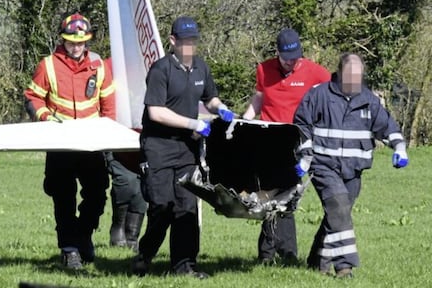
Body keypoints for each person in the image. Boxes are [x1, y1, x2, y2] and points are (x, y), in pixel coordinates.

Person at [131, 16, 235, 279]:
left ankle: (185, 266)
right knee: (162, 207)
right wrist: (193, 123)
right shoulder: (161, 70)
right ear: (173, 41)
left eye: (193, 41)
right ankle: (145, 255)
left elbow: (209, 98)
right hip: (158, 148)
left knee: (186, 207)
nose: (189, 46)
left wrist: (220, 108)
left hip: (186, 151)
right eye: (184, 41)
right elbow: (155, 112)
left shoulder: (201, 68)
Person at [293, 52, 408, 279]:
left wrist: (400, 148)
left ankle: (318, 260)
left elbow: (387, 127)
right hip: (324, 166)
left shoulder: (369, 100)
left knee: (336, 215)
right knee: (339, 209)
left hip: (354, 169)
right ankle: (345, 267)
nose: (354, 82)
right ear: (339, 73)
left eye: (358, 77)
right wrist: (305, 155)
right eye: (350, 76)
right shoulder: (319, 95)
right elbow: (301, 125)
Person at [24, 12, 116, 270]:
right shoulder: (48, 65)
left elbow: (108, 104)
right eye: (71, 42)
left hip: (92, 144)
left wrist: (108, 134)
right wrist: (44, 117)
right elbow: (33, 97)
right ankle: (70, 249)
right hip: (60, 144)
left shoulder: (98, 65)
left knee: (97, 196)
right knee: (63, 199)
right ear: (62, 40)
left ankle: (83, 235)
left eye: (82, 42)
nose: (77, 47)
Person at [241, 28, 331, 265]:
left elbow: (331, 93)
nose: (292, 62)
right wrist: (245, 120)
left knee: (286, 194)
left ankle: (276, 253)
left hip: (296, 141)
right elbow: (260, 97)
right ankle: (277, 253)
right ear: (277, 54)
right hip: (268, 140)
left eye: (296, 57)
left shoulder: (314, 72)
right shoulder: (264, 69)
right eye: (287, 58)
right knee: (273, 196)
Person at [103, 59, 146, 252]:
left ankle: (132, 235)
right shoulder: (107, 67)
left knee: (143, 190)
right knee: (126, 182)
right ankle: (118, 226)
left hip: (144, 141)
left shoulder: (149, 64)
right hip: (116, 141)